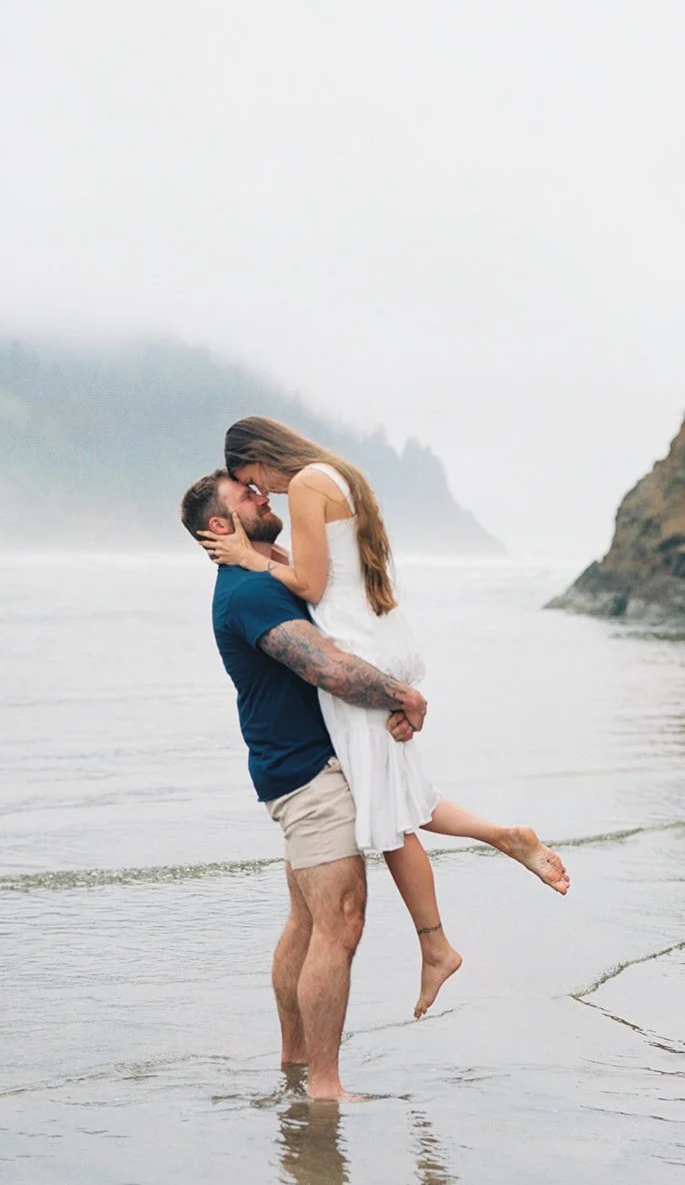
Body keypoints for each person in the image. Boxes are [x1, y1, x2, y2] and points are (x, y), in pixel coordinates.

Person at [198, 415, 570, 1020]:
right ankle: (505, 838)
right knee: (399, 793)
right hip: (370, 635)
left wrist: (248, 555)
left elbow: (312, 585)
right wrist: (265, 558)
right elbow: (320, 571)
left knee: (387, 813)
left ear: (260, 459)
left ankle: (436, 945)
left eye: (250, 481)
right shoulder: (331, 477)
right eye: (248, 492)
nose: (262, 495)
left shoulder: (312, 485)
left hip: (357, 649)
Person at [180, 467, 431, 1102]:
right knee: (340, 923)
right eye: (248, 497)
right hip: (310, 774)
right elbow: (327, 667)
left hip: (292, 766)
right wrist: (405, 696)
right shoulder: (246, 593)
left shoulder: (263, 575)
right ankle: (325, 1086)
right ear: (220, 525)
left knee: (306, 920)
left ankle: (296, 1065)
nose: (266, 498)